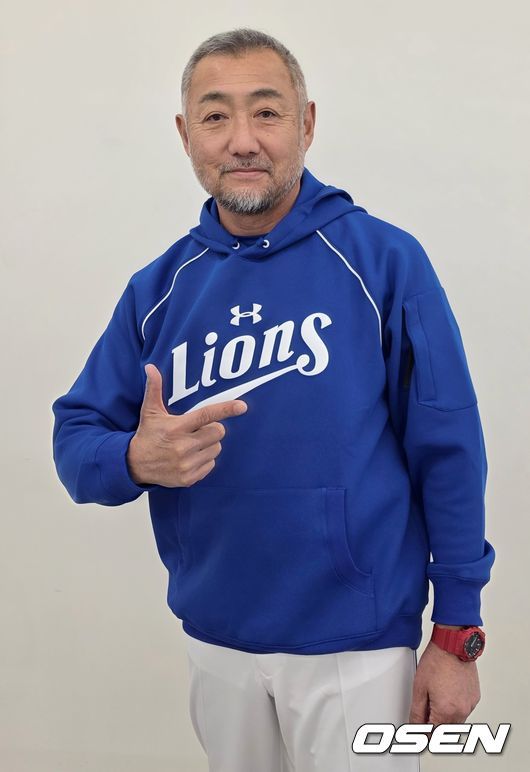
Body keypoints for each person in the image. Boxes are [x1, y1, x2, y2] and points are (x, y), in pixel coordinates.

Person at [51, 27, 495, 771]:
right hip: (217, 643)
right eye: (216, 116)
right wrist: (132, 458)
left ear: (306, 123)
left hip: (359, 648)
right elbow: (75, 437)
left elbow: (449, 452)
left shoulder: (383, 262)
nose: (243, 140)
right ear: (186, 135)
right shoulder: (160, 290)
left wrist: (457, 632)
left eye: (267, 112)